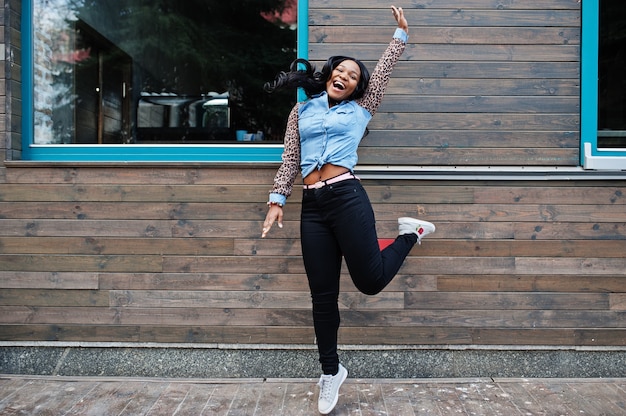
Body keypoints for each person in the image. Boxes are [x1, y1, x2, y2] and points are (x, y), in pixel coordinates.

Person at [262, 5, 435, 414]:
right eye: (340, 70)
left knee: (370, 281)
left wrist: (400, 36)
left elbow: (384, 72)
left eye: (354, 76)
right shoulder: (301, 111)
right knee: (322, 296)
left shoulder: (361, 109)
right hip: (312, 207)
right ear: (328, 75)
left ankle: (410, 233)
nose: (346, 76)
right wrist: (276, 200)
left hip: (347, 198)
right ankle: (330, 372)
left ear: (359, 88)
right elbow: (290, 158)